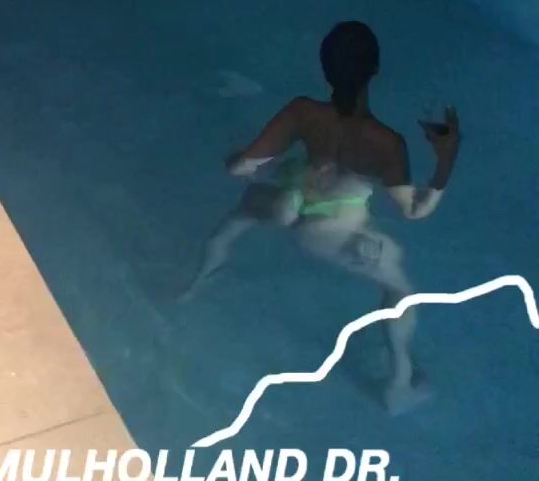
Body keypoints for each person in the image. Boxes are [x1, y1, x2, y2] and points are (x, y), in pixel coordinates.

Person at [182, 21, 461, 414]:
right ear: (375, 70)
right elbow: (415, 210)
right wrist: (446, 159)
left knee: (236, 219)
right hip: (335, 235)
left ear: (325, 68)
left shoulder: (302, 111)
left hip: (288, 208)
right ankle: (399, 386)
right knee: (401, 290)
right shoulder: (385, 142)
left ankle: (192, 287)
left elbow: (242, 167)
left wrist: (249, 163)